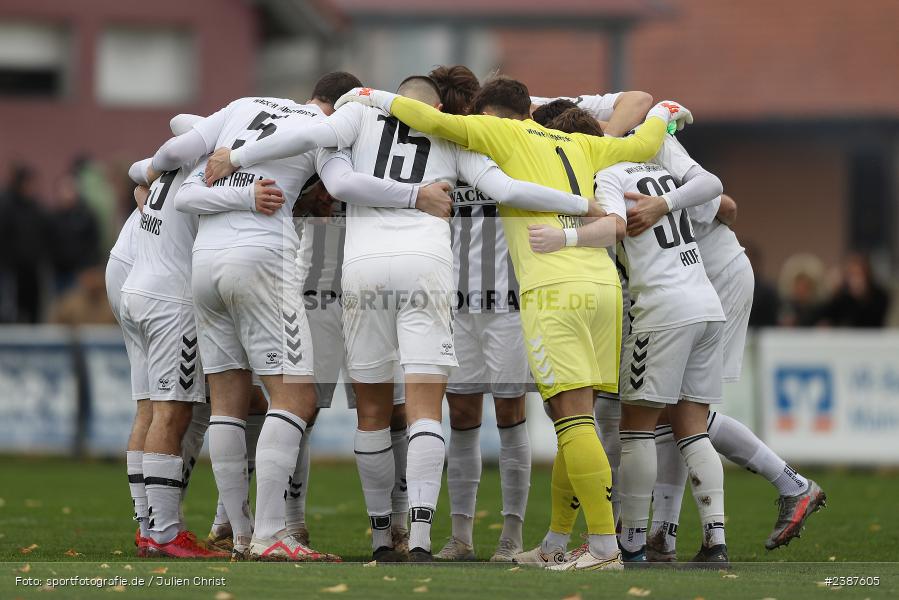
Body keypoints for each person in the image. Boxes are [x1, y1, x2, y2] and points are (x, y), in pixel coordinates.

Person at [203, 74, 601, 561]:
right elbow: (510, 188)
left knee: (371, 414)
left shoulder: (357, 114)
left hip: (362, 269)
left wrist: (236, 157)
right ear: (433, 107)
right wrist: (582, 204)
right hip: (426, 266)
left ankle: (377, 540)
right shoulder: (452, 133)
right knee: (424, 409)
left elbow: (326, 162)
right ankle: (417, 539)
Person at [329, 78, 692, 572]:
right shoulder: (584, 143)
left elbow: (435, 121)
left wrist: (374, 97)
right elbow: (643, 143)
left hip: (550, 290)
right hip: (602, 287)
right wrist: (666, 114)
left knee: (571, 419)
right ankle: (556, 540)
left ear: (495, 116)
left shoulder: (505, 136)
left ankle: (605, 546)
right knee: (578, 418)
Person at [537, 106, 729, 565]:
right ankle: (715, 541)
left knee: (635, 429)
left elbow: (611, 229)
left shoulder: (604, 173)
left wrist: (561, 236)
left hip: (661, 307)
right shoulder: (656, 165)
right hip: (705, 302)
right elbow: (714, 190)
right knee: (692, 427)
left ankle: (634, 543)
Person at [817, 253, 890, 327]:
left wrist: (862, 296)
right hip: (850, 336)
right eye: (852, 274)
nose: (855, 278)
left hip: (874, 335)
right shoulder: (843, 294)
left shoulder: (880, 294)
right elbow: (831, 315)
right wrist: (834, 293)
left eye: (858, 273)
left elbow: (876, 318)